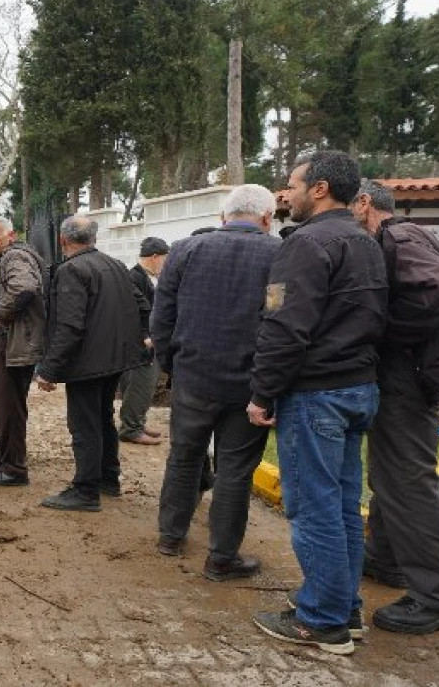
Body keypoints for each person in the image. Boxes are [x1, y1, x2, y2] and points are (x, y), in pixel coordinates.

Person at [249, 151, 387, 655]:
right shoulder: (365, 241)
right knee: (344, 504)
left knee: (313, 507)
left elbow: (284, 326)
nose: (285, 195)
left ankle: (321, 619)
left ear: (321, 188)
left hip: (316, 393)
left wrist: (263, 392)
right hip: (358, 389)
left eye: (292, 185)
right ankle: (342, 607)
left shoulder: (305, 244)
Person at [150, 185, 280, 581]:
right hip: (248, 384)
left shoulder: (185, 251)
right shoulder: (279, 256)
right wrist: (270, 383)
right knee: (235, 469)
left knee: (184, 456)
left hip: (193, 376)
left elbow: (162, 316)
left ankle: (170, 536)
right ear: (267, 218)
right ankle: (222, 557)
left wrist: (171, 363)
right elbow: (278, 319)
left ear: (224, 216)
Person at [352, 179, 439, 635]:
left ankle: (437, 596)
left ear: (364, 203)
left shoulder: (399, 236)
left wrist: (382, 330)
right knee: (389, 476)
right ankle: (386, 560)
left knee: (408, 481)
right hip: (406, 376)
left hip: (407, 379)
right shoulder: (398, 237)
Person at [34, 215, 147, 511]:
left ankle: (86, 490)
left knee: (85, 425)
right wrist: (139, 338)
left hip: (88, 363)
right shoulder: (115, 265)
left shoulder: (72, 270)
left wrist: (49, 369)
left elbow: (70, 325)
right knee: (103, 419)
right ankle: (108, 479)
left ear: (63, 239)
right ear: (93, 238)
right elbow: (143, 304)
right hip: (115, 359)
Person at [0, 216, 48, 487]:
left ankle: (14, 468)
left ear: (11, 235)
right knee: (9, 403)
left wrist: (1, 315)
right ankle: (6, 454)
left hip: (12, 341)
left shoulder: (13, 257)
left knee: (9, 406)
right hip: (10, 338)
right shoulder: (10, 256)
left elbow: (25, 288)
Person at [117, 237, 168, 446]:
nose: (167, 263)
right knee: (140, 384)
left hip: (150, 340)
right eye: (165, 258)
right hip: (141, 343)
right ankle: (131, 428)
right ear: (155, 257)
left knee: (147, 384)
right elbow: (131, 312)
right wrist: (144, 336)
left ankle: (137, 422)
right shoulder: (133, 277)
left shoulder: (152, 277)